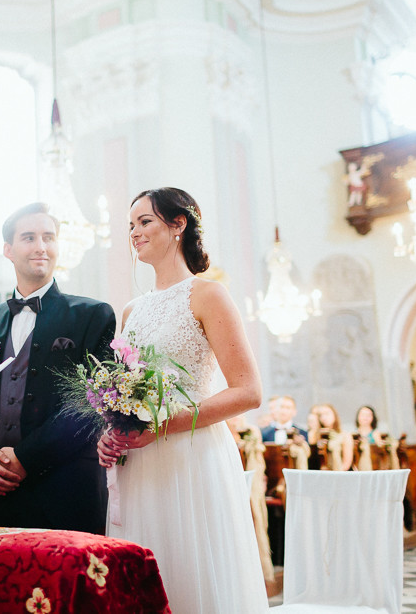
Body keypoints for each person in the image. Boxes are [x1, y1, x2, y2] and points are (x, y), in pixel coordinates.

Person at [97, 187, 267, 612]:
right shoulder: (132, 309)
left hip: (192, 454)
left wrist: (162, 426)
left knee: (192, 571)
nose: (134, 233)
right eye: (130, 225)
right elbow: (122, 389)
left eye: (145, 221)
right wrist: (112, 432)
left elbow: (248, 391)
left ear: (178, 225)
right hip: (139, 461)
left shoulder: (208, 294)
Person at [0, 202, 115, 534]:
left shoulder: (93, 315)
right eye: (29, 238)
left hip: (63, 494)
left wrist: (25, 458)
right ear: (8, 250)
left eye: (48, 237)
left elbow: (92, 405)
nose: (41, 247)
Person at [313, 403, 354, 471]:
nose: (324, 417)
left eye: (327, 413)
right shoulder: (316, 435)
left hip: (339, 472)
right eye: (321, 415)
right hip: (320, 472)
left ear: (334, 415)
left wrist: (335, 475)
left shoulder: (345, 435)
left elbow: (347, 462)